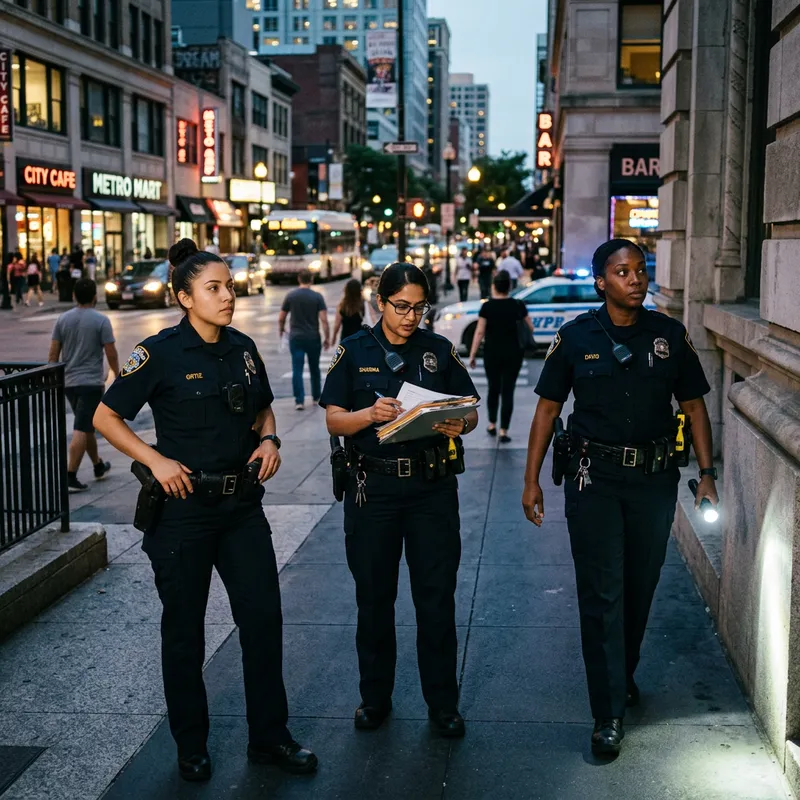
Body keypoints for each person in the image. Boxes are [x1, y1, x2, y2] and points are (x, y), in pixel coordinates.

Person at [93, 239, 318, 783]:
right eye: (213, 288)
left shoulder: (242, 347)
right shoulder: (160, 352)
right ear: (184, 296)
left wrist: (270, 441)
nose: (227, 297)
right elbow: (106, 416)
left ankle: (271, 738)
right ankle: (190, 745)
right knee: (185, 632)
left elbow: (263, 407)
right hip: (184, 511)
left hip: (241, 507)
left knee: (263, 622)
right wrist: (156, 460)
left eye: (230, 287)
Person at [521, 239, 719, 758]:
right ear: (601, 282)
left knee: (638, 587)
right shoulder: (575, 337)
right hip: (594, 481)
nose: (636, 278)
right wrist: (532, 479)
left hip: (653, 482)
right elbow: (546, 411)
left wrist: (706, 473)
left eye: (641, 269)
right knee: (602, 593)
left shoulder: (669, 336)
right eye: (623, 271)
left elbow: (695, 407)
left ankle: (620, 672)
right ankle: (606, 711)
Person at [320, 262, 480, 739]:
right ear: (380, 303)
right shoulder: (353, 351)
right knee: (374, 599)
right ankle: (375, 699)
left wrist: (459, 423)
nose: (411, 317)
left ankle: (443, 704)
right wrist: (368, 414)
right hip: (374, 490)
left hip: (431, 490)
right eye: (401, 307)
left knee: (436, 598)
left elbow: (469, 411)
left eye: (419, 307)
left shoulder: (437, 350)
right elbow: (333, 420)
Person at [48, 279, 118, 492]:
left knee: (86, 424)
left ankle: (97, 465)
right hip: (91, 383)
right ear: (95, 297)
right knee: (81, 427)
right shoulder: (101, 320)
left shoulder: (63, 319)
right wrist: (116, 371)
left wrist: (53, 375)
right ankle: (71, 475)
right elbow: (110, 351)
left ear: (74, 296)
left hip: (69, 382)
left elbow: (53, 352)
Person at [468, 271, 533, 443]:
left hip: (492, 353)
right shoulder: (518, 305)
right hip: (514, 353)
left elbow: (480, 331)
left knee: (493, 388)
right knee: (508, 391)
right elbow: (530, 327)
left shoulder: (487, 307)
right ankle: (504, 430)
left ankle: (491, 423)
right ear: (509, 286)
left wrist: (473, 354)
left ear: (494, 286)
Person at [279, 270, 330, 410]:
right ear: (311, 279)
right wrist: (327, 337)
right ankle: (316, 397)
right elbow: (324, 320)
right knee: (314, 368)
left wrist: (281, 330)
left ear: (298, 279)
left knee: (297, 368)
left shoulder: (291, 296)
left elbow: (281, 317)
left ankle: (299, 401)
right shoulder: (317, 297)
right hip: (313, 337)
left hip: (296, 337)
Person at [332, 278, 371, 343]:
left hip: (345, 338)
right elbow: (372, 319)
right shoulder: (363, 304)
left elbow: (337, 324)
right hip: (359, 338)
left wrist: (334, 337)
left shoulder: (342, 306)